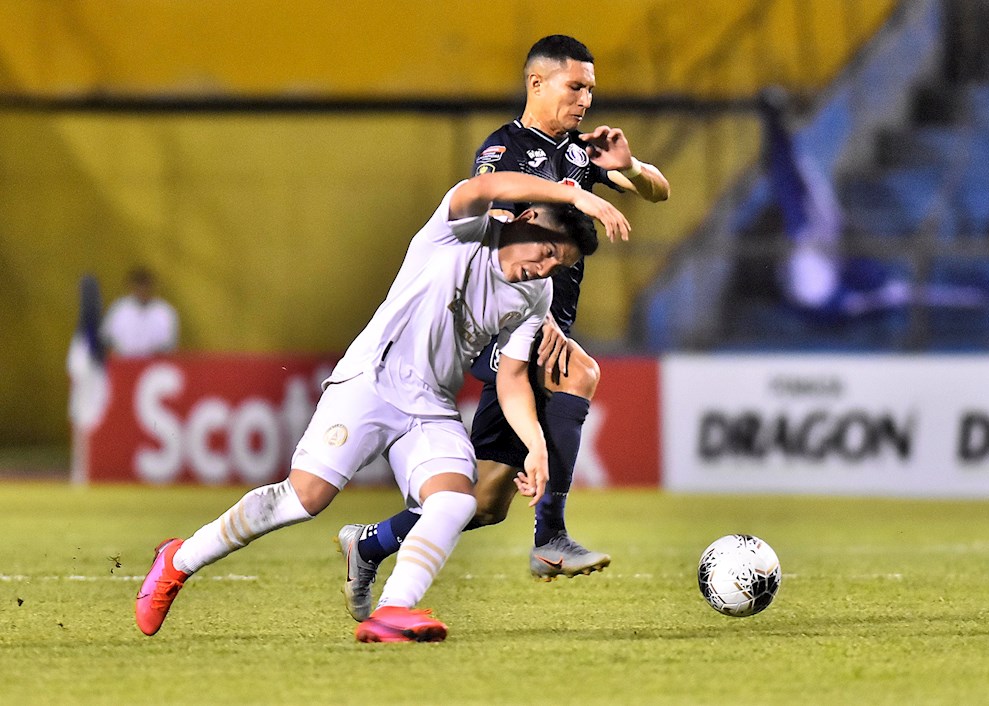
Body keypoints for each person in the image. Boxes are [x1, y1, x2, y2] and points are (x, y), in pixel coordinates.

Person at [134, 170, 629, 643]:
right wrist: (574, 196)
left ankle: (393, 610)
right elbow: (488, 185)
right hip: (371, 381)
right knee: (303, 499)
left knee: (458, 501)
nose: (543, 269)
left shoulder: (534, 293)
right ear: (528, 219)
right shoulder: (461, 230)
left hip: (430, 406)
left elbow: (514, 377)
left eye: (556, 266)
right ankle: (178, 561)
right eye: (545, 253)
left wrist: (536, 446)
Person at [336, 34, 670, 622]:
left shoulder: (579, 151)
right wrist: (577, 201)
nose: (586, 99)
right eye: (576, 86)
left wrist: (631, 167)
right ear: (536, 83)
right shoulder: (503, 151)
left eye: (591, 88)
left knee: (484, 501)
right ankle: (552, 540)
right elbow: (493, 235)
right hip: (506, 327)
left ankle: (370, 544)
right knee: (579, 374)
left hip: (545, 323)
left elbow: (658, 192)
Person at [101, 266, 179, 357]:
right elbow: (106, 340)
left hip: (153, 365)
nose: (142, 289)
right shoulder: (119, 309)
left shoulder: (165, 312)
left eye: (145, 284)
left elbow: (170, 346)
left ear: (152, 285)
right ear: (131, 286)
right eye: (138, 284)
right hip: (123, 363)